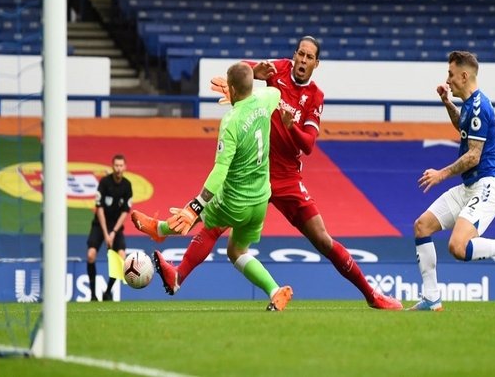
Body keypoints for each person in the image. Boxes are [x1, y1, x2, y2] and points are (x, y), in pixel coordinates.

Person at [133, 36, 402, 310]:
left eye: (309, 57)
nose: (302, 60)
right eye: (300, 53)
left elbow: (308, 144)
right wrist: (241, 80)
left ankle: (372, 295)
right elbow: (247, 72)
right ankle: (170, 254)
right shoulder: (280, 70)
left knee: (322, 239)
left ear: (316, 64)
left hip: (287, 179)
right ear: (294, 55)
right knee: (215, 224)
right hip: (255, 172)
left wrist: (290, 125)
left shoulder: (315, 97)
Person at [135, 62, 293, 311]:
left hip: (236, 199)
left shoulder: (231, 121)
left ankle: (162, 234)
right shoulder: (267, 98)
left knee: (208, 225)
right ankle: (275, 291)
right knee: (237, 251)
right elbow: (277, 92)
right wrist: (253, 79)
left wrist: (194, 207)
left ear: (230, 88)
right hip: (261, 199)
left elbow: (220, 171)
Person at [408, 50, 495, 311]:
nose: (448, 79)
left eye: (451, 74)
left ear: (464, 76)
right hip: (469, 187)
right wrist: (446, 102)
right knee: (422, 226)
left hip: (486, 186)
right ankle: (431, 298)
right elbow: (462, 126)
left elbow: (473, 156)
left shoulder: (479, 106)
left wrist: (441, 174)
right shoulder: (469, 105)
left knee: (458, 247)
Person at [86, 154, 133, 301]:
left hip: (116, 228)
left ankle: (107, 292)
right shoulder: (104, 183)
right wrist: (106, 234)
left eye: (121, 166)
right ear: (112, 166)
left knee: (121, 258)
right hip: (100, 225)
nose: (118, 168)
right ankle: (93, 295)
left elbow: (125, 212)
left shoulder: (127, 185)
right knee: (91, 255)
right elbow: (99, 208)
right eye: (116, 165)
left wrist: (113, 233)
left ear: (124, 167)